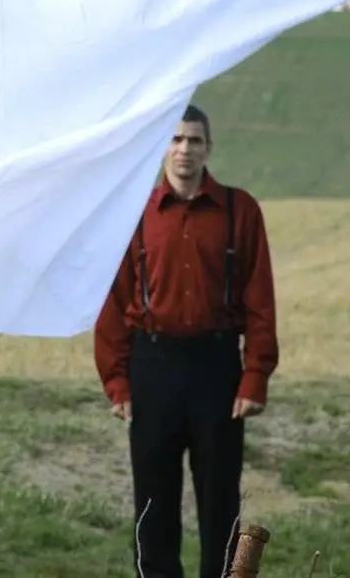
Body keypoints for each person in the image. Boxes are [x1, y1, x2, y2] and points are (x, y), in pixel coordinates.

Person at [93, 104, 278, 578]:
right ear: (164, 147)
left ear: (208, 148)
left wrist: (255, 376)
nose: (184, 150)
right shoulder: (135, 214)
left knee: (220, 497)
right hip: (152, 365)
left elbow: (260, 299)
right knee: (153, 499)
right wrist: (117, 380)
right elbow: (113, 300)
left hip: (217, 367)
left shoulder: (240, 211)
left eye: (194, 140)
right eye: (175, 140)